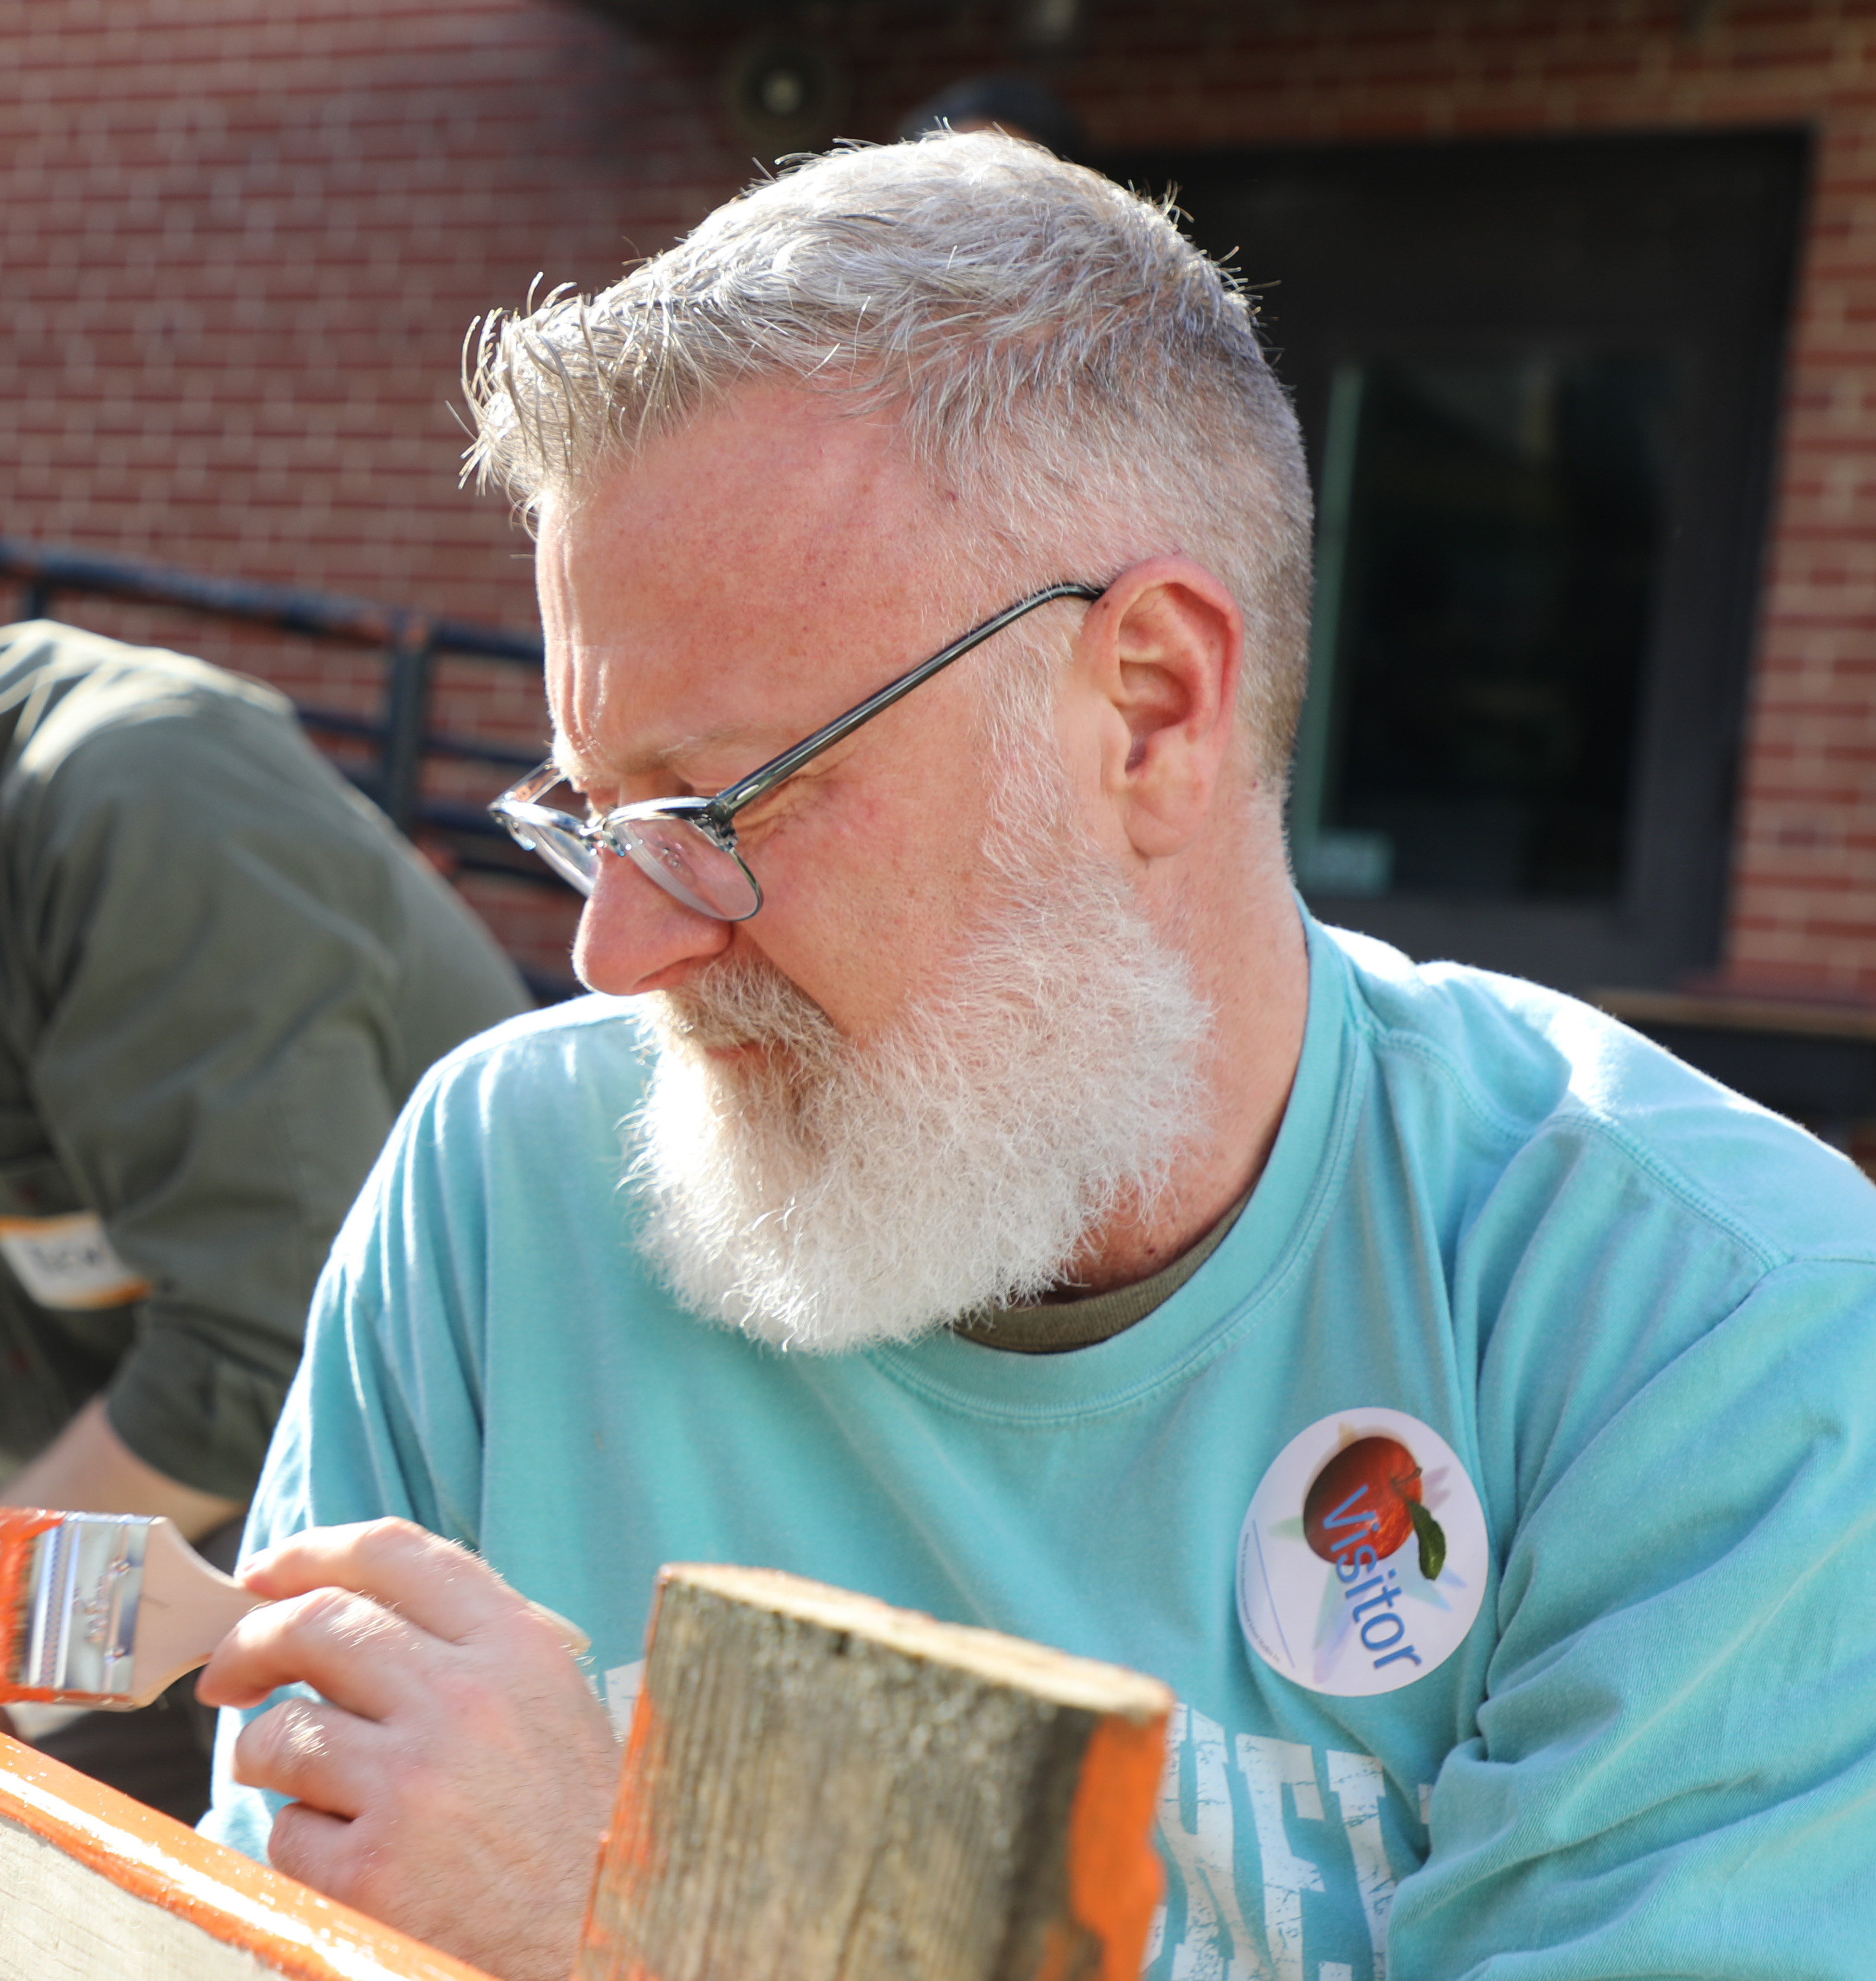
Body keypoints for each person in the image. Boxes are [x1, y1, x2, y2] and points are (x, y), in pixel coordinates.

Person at [198, 134, 1876, 1981]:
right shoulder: (508, 1188)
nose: (618, 948)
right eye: (594, 819)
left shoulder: (1713, 1332)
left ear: (1149, 708)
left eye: (721, 807)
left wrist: (619, 1931)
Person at [0, 618, 530, 1819]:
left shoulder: (144, 796)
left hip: (414, 1543)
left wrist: (14, 1604)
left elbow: (260, 1334)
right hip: (133, 1544)